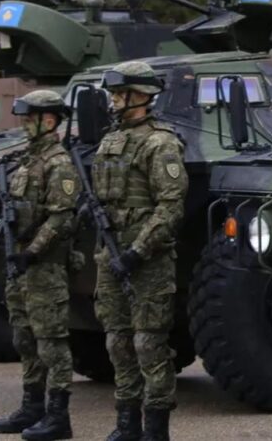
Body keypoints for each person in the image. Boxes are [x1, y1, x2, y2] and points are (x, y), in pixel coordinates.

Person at [92, 60, 187, 441]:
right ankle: (127, 421)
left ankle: (156, 426)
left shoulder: (159, 142)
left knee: (148, 343)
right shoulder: (110, 140)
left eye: (120, 94)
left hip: (146, 260)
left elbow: (171, 206)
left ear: (141, 96)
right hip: (110, 256)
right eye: (113, 94)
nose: (114, 100)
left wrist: (137, 251)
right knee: (117, 341)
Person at [0, 90, 80, 440]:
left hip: (44, 266)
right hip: (21, 264)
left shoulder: (59, 164)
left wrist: (33, 252)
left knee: (50, 341)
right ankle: (32, 407)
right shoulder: (26, 162)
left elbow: (61, 219)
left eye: (31, 118)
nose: (25, 124)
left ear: (49, 120)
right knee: (24, 337)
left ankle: (58, 416)